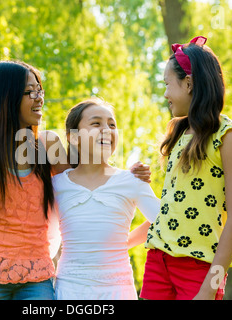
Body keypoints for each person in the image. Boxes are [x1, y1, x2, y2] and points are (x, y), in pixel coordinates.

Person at [0, 60, 151, 300]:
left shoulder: (47, 145)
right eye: (29, 92)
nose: (39, 99)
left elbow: (83, 183)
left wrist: (127, 177)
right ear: (3, 98)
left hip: (37, 280)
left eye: (40, 91)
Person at [140, 36, 232, 300]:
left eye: (168, 85)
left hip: (200, 270)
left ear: (189, 84)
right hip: (158, 260)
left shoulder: (229, 136)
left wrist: (209, 289)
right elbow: (173, 205)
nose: (166, 94)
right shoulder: (178, 132)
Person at [53, 98, 161, 300]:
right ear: (73, 137)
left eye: (112, 125)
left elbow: (165, 222)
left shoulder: (131, 180)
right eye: (96, 123)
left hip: (118, 291)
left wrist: (122, 242)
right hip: (69, 291)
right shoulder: (57, 185)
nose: (107, 129)